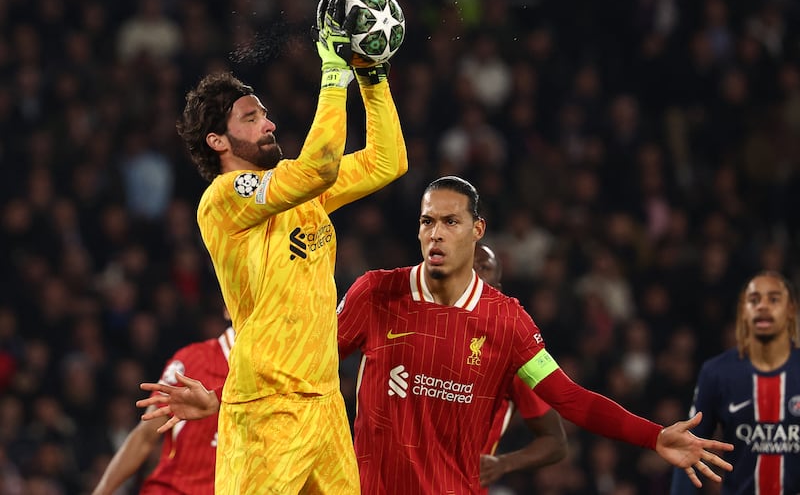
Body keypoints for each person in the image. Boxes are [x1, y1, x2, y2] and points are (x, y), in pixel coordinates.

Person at [139, 177, 732, 494]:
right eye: (427, 221)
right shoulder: (377, 293)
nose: (436, 233)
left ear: (478, 230)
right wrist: (223, 401)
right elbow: (303, 367)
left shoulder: (507, 323)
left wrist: (655, 438)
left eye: (451, 221)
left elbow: (569, 400)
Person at [164, 0, 407, 495]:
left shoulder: (303, 191)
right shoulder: (224, 197)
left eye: (265, 114)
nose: (269, 122)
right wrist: (332, 67)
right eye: (251, 118)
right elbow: (319, 166)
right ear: (218, 141)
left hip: (324, 403)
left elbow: (388, 162)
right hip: (267, 407)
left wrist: (370, 72)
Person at [670, 271, 800, 495]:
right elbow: (687, 449)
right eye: (754, 300)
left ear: (791, 310)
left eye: (774, 299)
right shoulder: (717, 372)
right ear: (743, 311)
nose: (763, 306)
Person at [91, 320, 234, 495]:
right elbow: (145, 435)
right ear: (228, 309)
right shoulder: (195, 359)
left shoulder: (271, 373)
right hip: (174, 490)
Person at [473, 243, 569, 487]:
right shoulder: (419, 334)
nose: (473, 271)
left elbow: (555, 440)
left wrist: (503, 463)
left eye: (483, 267)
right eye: (466, 263)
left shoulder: (512, 355)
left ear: (496, 289)